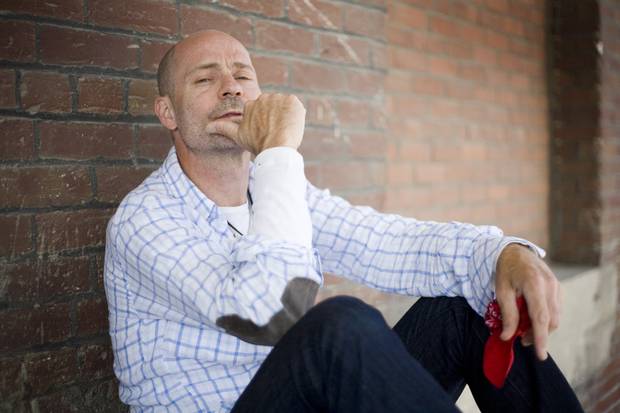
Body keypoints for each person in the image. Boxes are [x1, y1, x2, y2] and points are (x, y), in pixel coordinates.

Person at [104, 30, 583, 412]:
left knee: (461, 306)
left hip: (314, 398)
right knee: (339, 327)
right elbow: (269, 316)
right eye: (205, 80)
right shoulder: (144, 220)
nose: (232, 86)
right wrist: (277, 152)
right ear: (167, 112)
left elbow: (390, 243)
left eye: (243, 75)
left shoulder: (275, 192)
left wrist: (502, 253)